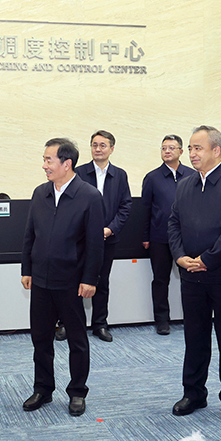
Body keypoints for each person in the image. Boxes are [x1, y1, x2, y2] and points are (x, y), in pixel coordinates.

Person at [168, 126, 221, 426]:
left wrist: (207, 259)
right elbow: (173, 223)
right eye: (190, 148)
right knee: (194, 338)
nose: (191, 153)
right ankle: (193, 393)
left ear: (216, 151)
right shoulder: (185, 185)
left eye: (198, 148)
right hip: (191, 277)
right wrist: (180, 256)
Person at [21, 138, 104, 417]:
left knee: (77, 341)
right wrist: (26, 269)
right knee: (40, 339)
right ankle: (43, 389)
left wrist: (90, 279)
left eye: (49, 160)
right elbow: (29, 235)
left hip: (72, 282)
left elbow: (95, 244)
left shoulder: (89, 196)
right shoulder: (40, 193)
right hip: (41, 280)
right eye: (44, 159)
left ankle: (77, 391)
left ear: (66, 164)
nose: (44, 165)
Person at [72, 130, 132, 343]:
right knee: (74, 281)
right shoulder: (79, 172)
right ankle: (69, 324)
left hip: (108, 238)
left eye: (103, 145)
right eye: (94, 145)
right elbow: (72, 205)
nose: (98, 149)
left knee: (101, 281)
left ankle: (100, 324)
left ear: (111, 149)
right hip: (80, 240)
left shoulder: (120, 175)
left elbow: (125, 206)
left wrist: (110, 229)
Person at [141, 135, 196, 335]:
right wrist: (146, 236)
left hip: (186, 238)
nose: (167, 151)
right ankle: (162, 320)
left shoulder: (192, 175)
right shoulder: (152, 177)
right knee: (160, 280)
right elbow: (145, 209)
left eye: (171, 148)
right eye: (164, 148)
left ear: (181, 151)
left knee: (190, 279)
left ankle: (192, 317)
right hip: (159, 237)